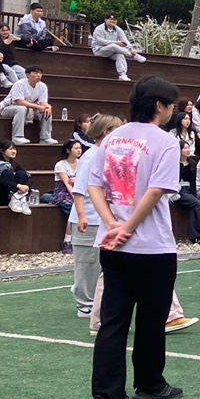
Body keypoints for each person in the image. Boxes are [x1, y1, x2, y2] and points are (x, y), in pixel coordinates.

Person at [81, 76, 185, 399]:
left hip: (112, 245)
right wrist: (127, 227)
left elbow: (94, 186)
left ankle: (107, 396)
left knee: (113, 321)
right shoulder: (166, 141)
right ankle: (150, 383)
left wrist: (112, 223)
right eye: (171, 105)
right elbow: (156, 191)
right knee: (152, 319)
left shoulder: (112, 137)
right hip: (152, 246)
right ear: (159, 106)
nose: (172, 110)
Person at [69, 114, 124, 316]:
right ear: (106, 132)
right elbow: (79, 190)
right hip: (89, 218)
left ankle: (96, 300)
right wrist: (82, 215)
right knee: (87, 263)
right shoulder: (91, 156)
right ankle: (84, 302)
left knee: (101, 263)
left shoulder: (109, 155)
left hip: (103, 218)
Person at [1, 66, 57, 145]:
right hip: (8, 108)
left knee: (46, 110)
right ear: (27, 74)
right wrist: (38, 107)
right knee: (21, 109)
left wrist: (48, 107)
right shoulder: (19, 84)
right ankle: (17, 137)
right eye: (35, 73)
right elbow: (20, 102)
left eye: (40, 73)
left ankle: (45, 138)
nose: (39, 75)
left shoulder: (43, 86)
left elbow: (43, 102)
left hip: (29, 109)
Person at [171, 142, 200, 242]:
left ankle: (196, 236)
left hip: (189, 189)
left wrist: (194, 193)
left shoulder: (192, 163)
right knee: (196, 203)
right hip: (179, 190)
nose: (188, 150)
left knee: (193, 206)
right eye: (185, 148)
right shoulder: (174, 163)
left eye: (188, 148)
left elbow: (193, 181)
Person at [89, 12, 147, 81]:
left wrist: (130, 48)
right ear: (106, 20)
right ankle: (133, 55)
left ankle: (122, 75)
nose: (113, 21)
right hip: (99, 50)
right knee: (113, 46)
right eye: (111, 19)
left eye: (115, 20)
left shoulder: (118, 29)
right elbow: (101, 41)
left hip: (112, 52)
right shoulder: (99, 29)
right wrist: (116, 42)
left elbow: (124, 40)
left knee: (120, 55)